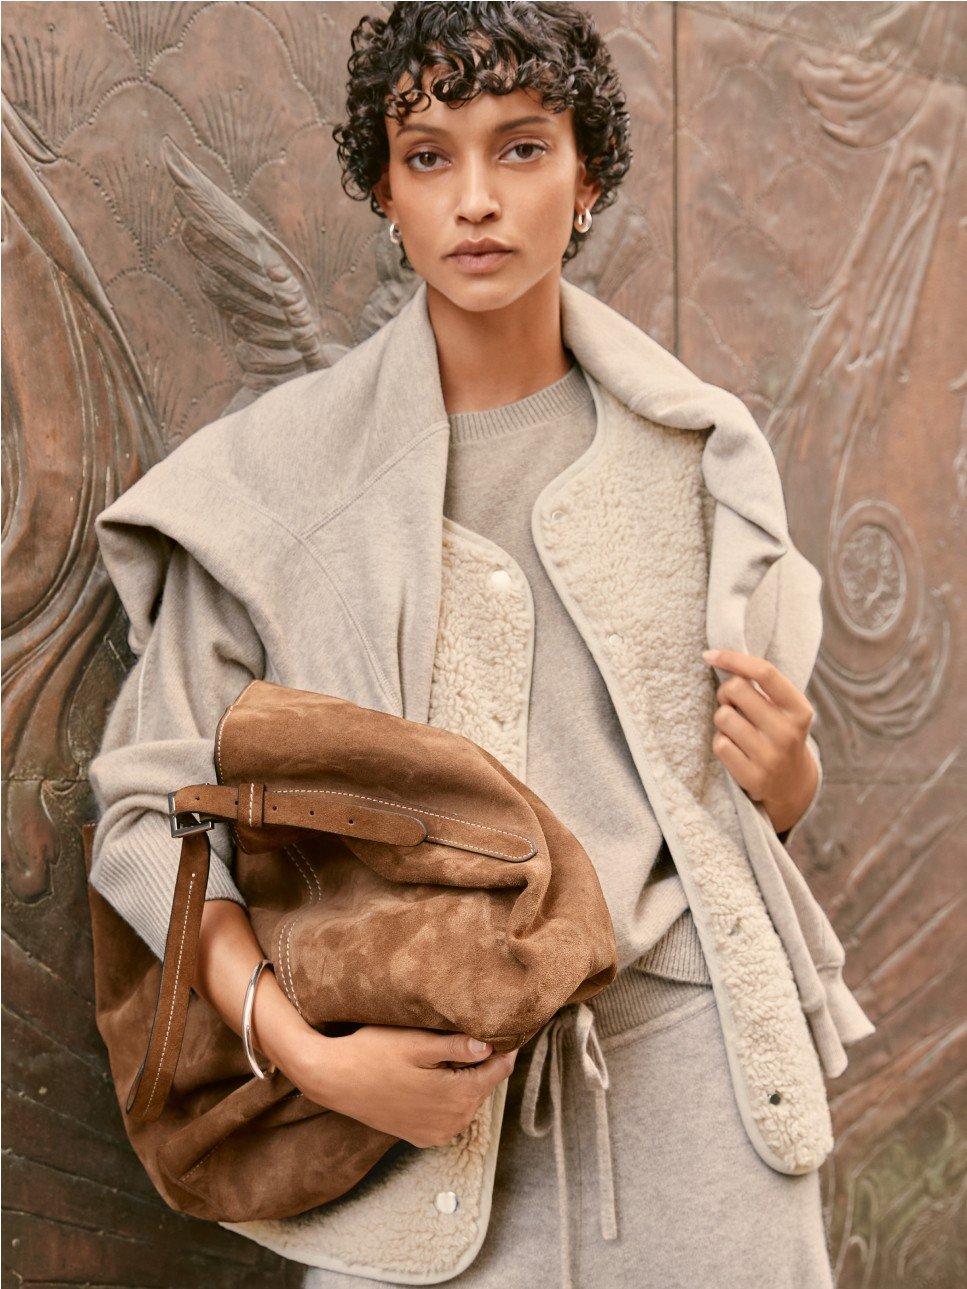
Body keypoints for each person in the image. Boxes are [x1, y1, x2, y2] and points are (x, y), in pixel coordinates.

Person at [88, 4, 874, 1286]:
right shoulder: (272, 487)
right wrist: (311, 1052)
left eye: (520, 150)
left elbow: (725, 801)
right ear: (383, 192)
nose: (475, 201)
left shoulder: (699, 459)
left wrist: (787, 785)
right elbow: (145, 822)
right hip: (407, 1128)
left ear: (587, 180)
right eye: (428, 155)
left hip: (700, 1104)